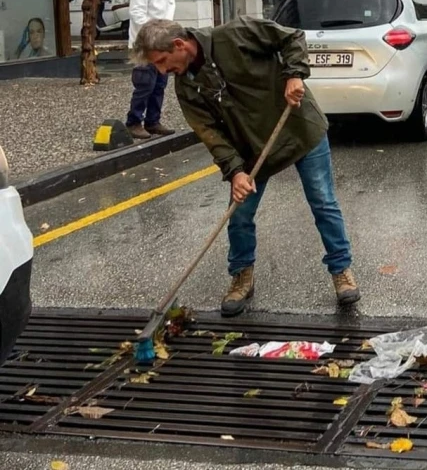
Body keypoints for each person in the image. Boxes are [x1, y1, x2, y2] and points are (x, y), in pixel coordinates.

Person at [130, 17, 361, 316]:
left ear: (179, 44)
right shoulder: (186, 86)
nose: (162, 71)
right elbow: (210, 133)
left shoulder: (235, 34)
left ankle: (341, 271)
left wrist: (294, 75)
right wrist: (236, 171)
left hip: (298, 128)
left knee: (323, 202)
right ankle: (242, 276)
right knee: (239, 214)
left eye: (162, 61)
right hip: (251, 150)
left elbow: (291, 37)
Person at [125, 0, 179, 139]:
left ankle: (153, 121)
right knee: (144, 84)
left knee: (159, 85)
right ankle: (133, 122)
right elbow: (137, 14)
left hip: (162, 44)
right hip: (146, 44)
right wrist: (158, 32)